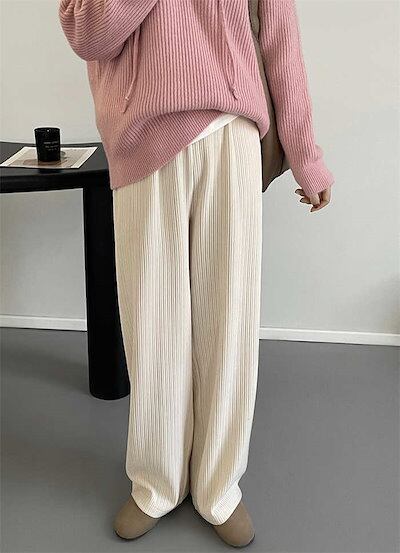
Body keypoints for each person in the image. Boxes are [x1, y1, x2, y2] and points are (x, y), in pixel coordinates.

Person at [59, 0, 334, 547]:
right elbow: (89, 34)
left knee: (228, 320)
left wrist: (306, 153)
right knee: (152, 324)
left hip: (231, 132)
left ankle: (219, 486)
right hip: (141, 140)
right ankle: (156, 482)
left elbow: (280, 39)